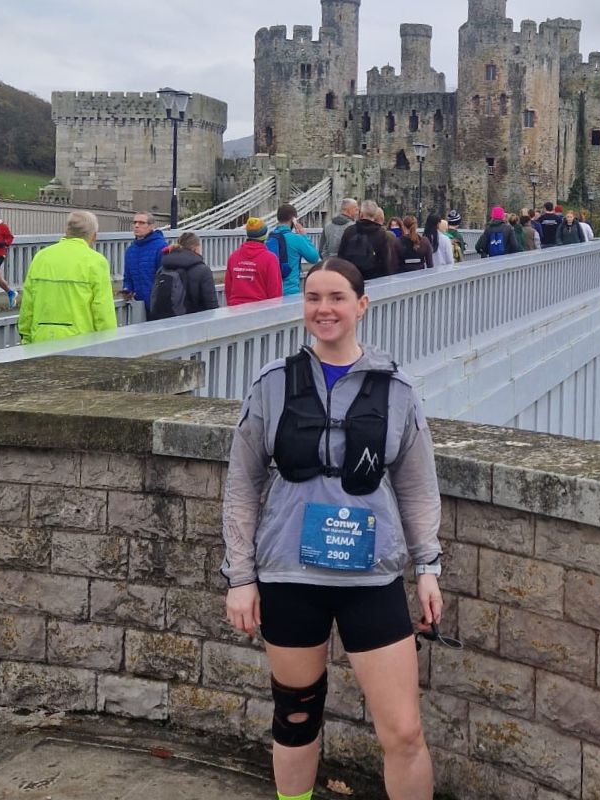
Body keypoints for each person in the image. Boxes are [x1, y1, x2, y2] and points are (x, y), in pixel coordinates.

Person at [222, 257, 444, 800]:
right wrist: (240, 577)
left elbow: (417, 486)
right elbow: (242, 483)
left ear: (361, 305)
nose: (325, 309)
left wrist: (428, 568)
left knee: (405, 731)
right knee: (296, 718)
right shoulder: (272, 384)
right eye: (314, 298)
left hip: (371, 579)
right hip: (289, 576)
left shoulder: (396, 390)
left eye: (337, 298)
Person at [17, 211, 117, 344]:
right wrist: (109, 344)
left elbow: (28, 305)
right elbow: (103, 311)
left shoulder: (41, 257)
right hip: (80, 342)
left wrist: (26, 339)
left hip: (41, 340)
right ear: (94, 236)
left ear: (67, 231)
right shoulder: (96, 262)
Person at [149, 231, 220, 320]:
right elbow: (211, 303)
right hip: (192, 324)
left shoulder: (163, 267)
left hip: (164, 322)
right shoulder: (202, 270)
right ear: (195, 248)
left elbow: (154, 297)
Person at [226, 218, 284, 307]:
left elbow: (228, 289)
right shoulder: (270, 259)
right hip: (260, 312)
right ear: (265, 236)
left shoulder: (233, 257)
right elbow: (275, 293)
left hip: (235, 311)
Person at [268, 204, 321, 297]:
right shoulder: (296, 239)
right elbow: (314, 258)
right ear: (293, 219)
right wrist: (304, 236)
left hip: (271, 290)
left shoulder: (269, 238)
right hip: (290, 290)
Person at [338, 200, 396, 281]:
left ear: (361, 213)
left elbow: (341, 255)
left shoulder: (350, 230)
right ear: (375, 214)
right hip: (374, 277)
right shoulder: (380, 233)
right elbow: (385, 259)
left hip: (352, 276)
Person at [122, 212, 167, 311]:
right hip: (138, 305)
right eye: (135, 222)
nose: (137, 226)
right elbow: (127, 277)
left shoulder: (161, 247)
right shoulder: (130, 250)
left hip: (158, 305)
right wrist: (127, 289)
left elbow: (165, 277)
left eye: (141, 223)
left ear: (151, 226)